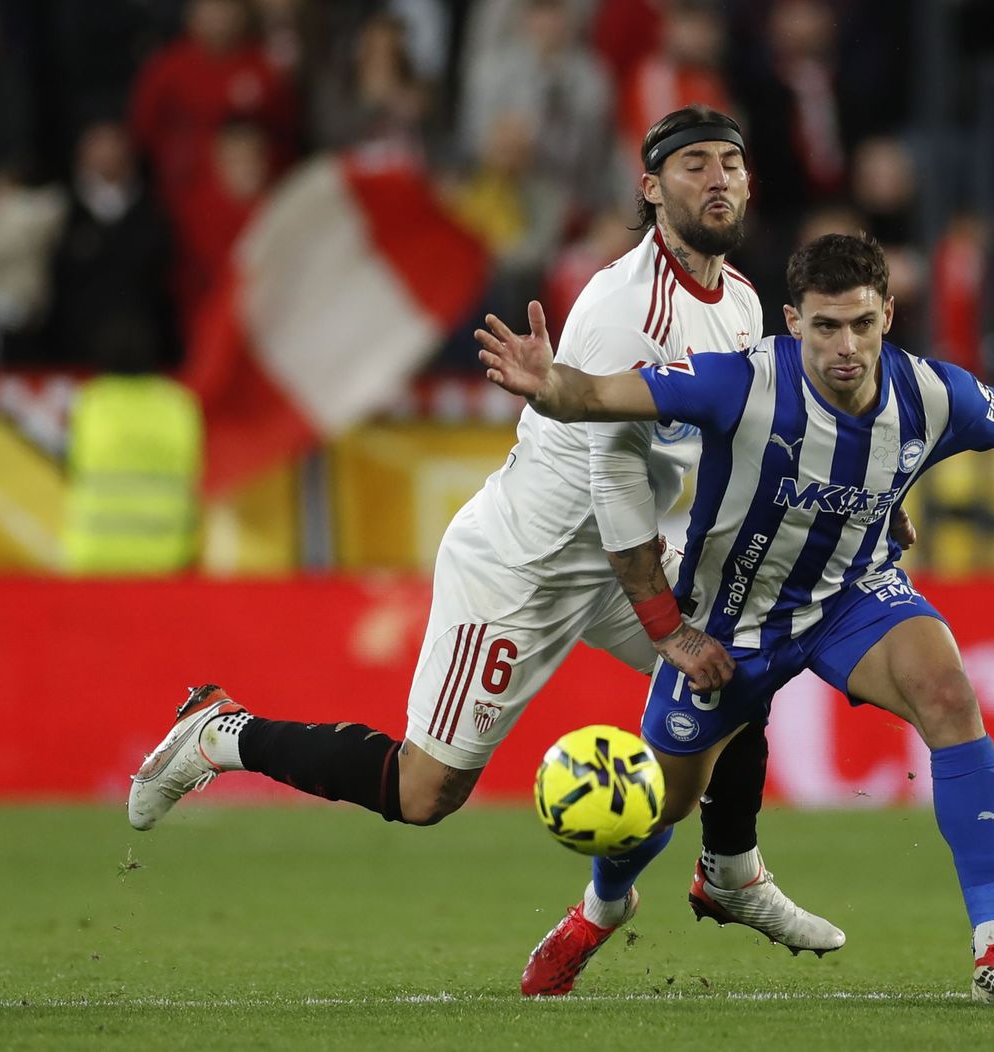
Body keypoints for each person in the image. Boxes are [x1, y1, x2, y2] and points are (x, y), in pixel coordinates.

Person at [127, 106, 857, 970]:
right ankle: (223, 733)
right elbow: (611, 479)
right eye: (693, 164)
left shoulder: (737, 302)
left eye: (730, 163)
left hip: (624, 562)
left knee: (738, 669)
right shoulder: (626, 308)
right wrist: (668, 626)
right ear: (651, 189)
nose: (718, 179)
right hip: (527, 567)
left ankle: (729, 872)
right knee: (424, 791)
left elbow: (745, 433)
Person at [479, 231, 994, 1003]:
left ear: (888, 313)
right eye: (825, 325)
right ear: (793, 323)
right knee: (663, 800)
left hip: (850, 600)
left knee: (949, 695)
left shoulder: (931, 393)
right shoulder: (741, 383)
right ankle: (601, 910)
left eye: (861, 322)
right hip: (732, 625)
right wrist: (551, 384)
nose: (845, 346)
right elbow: (605, 396)